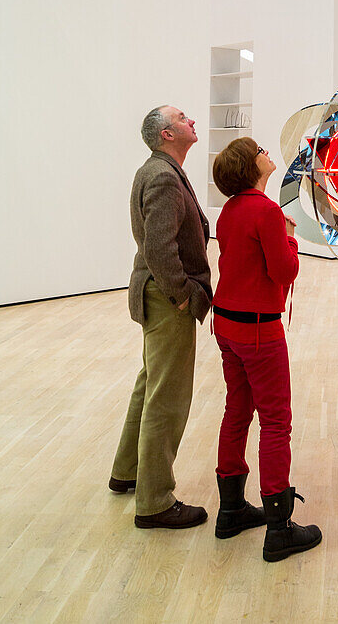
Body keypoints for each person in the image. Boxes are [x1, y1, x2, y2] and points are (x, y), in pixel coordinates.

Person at [212, 137, 322, 561]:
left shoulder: (230, 211)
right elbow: (284, 270)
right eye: (259, 149)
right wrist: (291, 240)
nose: (266, 152)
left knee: (237, 411)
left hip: (227, 325)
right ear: (250, 166)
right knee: (276, 422)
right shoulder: (266, 211)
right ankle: (279, 529)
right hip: (259, 332)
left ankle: (231, 510)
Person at [109, 106, 214, 529]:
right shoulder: (164, 176)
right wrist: (184, 297)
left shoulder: (157, 170)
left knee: (149, 383)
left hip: (155, 294)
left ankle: (128, 471)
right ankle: (154, 501)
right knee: (166, 398)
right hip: (167, 298)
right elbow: (158, 246)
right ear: (168, 134)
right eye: (183, 117)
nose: (192, 120)